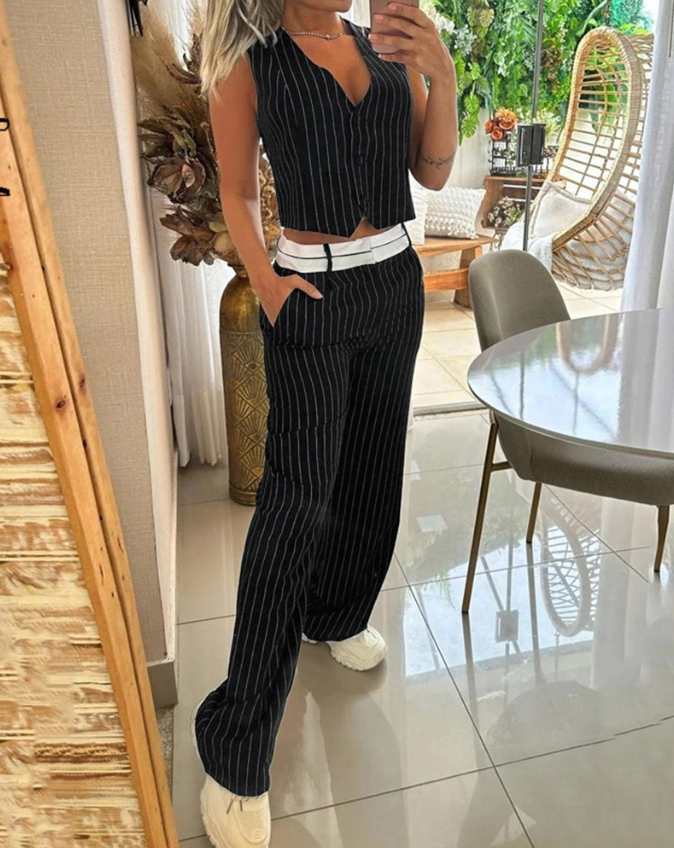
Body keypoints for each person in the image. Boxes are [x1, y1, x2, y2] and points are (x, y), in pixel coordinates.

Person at [195, 2, 458, 846]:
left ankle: (338, 613)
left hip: (394, 285)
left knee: (374, 469)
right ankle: (237, 743)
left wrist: (441, 73)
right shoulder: (250, 58)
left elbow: (432, 174)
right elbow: (238, 190)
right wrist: (270, 288)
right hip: (310, 289)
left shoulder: (383, 46)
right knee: (295, 502)